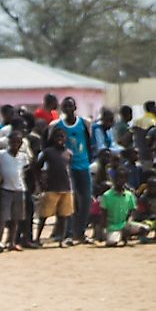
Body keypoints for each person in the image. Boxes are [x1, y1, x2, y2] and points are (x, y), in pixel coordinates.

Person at [51, 97, 94, 244]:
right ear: (62, 108)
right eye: (65, 106)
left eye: (71, 106)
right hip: (68, 168)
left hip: (84, 165)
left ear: (75, 107)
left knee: (86, 199)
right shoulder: (57, 125)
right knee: (71, 200)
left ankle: (81, 232)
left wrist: (89, 160)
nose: (68, 109)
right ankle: (68, 233)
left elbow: (89, 143)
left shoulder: (84, 123)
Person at [0, 129, 30, 251]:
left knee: (16, 218)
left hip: (19, 189)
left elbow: (27, 167)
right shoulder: (2, 155)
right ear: (9, 142)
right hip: (6, 189)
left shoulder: (23, 156)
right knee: (3, 217)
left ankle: (11, 241)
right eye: (13, 142)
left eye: (18, 143)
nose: (15, 145)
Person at [35, 127, 74, 247]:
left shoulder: (68, 153)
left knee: (63, 216)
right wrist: (40, 182)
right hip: (52, 187)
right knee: (44, 215)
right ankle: (37, 238)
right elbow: (37, 166)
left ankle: (61, 240)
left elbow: (69, 169)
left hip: (66, 187)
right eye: (57, 137)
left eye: (62, 137)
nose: (60, 139)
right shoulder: (48, 152)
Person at [100, 169, 149, 246]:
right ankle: (120, 236)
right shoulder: (107, 195)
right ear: (114, 180)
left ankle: (126, 235)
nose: (121, 180)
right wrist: (104, 229)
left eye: (123, 178)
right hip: (113, 227)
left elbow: (133, 211)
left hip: (125, 225)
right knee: (112, 242)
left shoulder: (129, 195)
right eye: (119, 178)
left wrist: (128, 223)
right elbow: (103, 213)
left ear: (126, 180)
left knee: (145, 229)